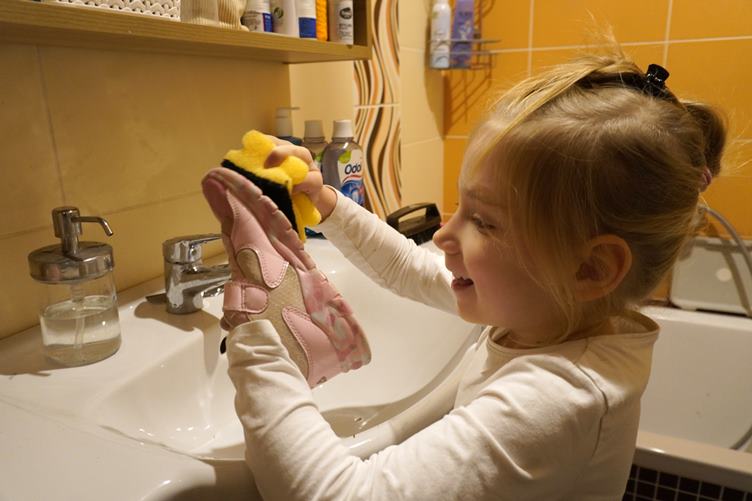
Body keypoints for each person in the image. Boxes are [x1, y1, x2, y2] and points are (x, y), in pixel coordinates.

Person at [203, 45, 726, 500]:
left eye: (484, 221)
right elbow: (407, 267)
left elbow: (333, 495)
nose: (442, 236)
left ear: (590, 268)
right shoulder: (544, 314)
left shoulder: (559, 396)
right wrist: (325, 203)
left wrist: (257, 333)